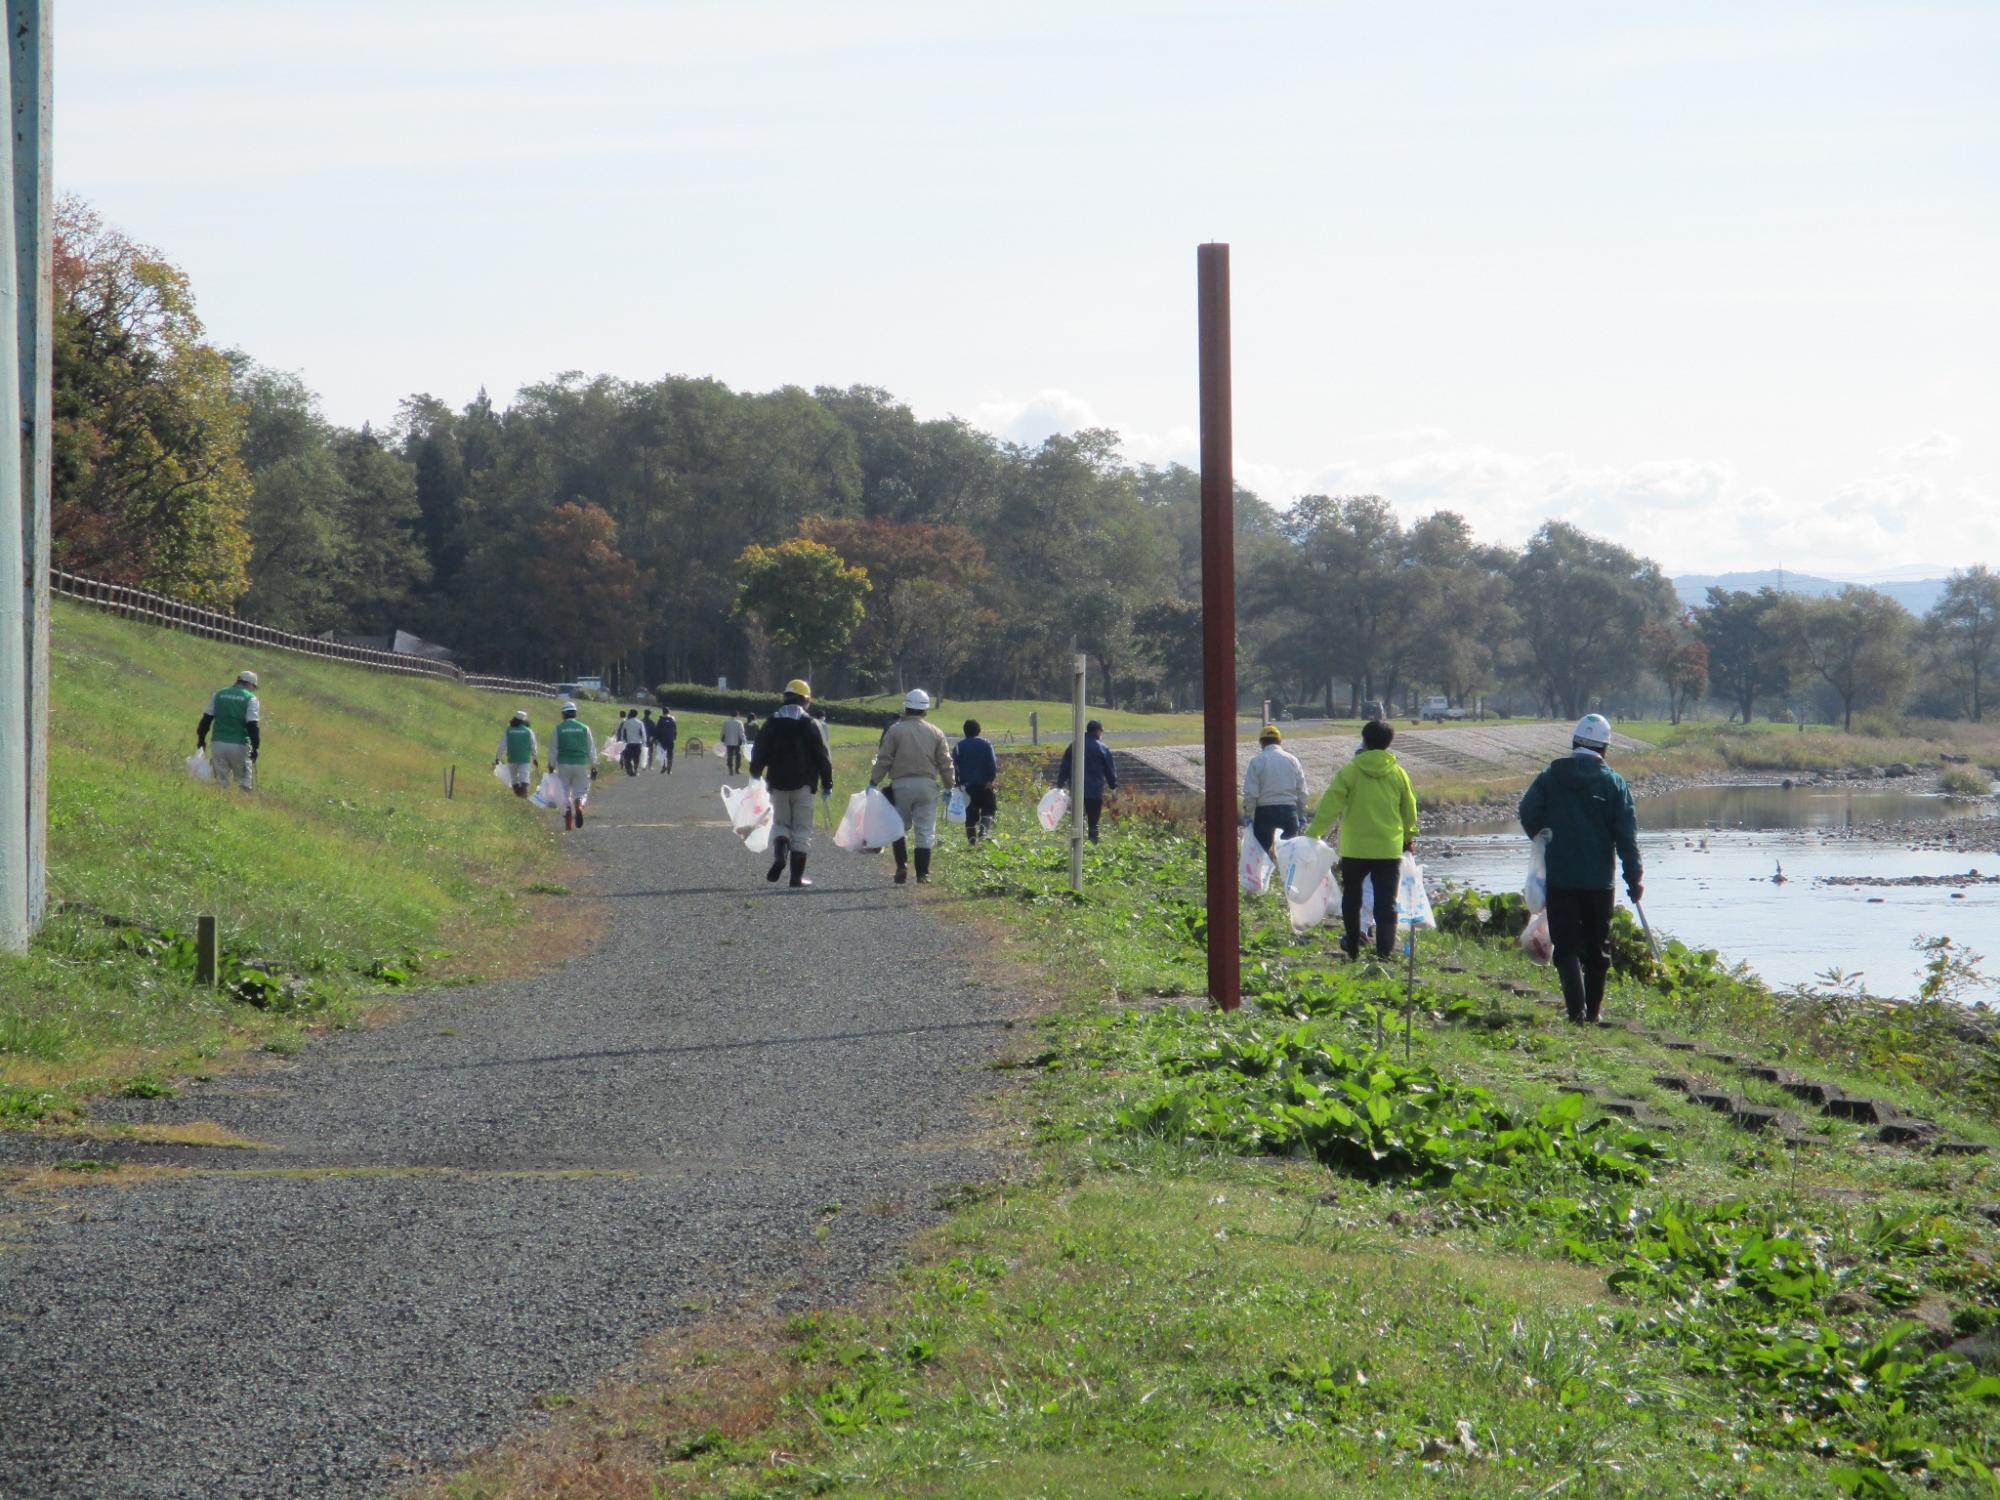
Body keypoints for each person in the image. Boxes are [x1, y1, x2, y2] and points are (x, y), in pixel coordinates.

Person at [1519, 713, 1643, 1024]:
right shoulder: (1614, 783)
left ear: (1575, 743)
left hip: (1560, 876)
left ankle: (1576, 1011)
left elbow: (1527, 810)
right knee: (1597, 947)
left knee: (1566, 945)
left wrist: (1542, 836)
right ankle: (1594, 1013)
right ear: (1605, 748)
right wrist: (1634, 876)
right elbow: (1626, 836)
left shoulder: (1550, 777)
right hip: (1600, 880)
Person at [1305, 718, 1417, 961]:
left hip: (1355, 847)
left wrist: (1314, 834)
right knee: (1387, 902)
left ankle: (1354, 948)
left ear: (1365, 741)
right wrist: (1409, 836)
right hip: (1388, 848)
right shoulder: (1399, 774)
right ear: (1389, 743)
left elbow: (1330, 804)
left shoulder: (1351, 771)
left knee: (1352, 898)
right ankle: (1384, 953)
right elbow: (1409, 809)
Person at [749, 678, 835, 888]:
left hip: (776, 783)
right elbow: (822, 756)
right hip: (804, 784)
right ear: (805, 700)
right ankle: (796, 877)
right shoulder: (810, 724)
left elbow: (758, 752)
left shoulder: (771, 722)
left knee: (780, 824)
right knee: (802, 829)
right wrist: (827, 783)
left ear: (785, 698)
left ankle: (780, 856)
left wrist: (755, 775)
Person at [869, 689, 955, 883]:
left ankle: (901, 866)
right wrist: (949, 785)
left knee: (899, 826)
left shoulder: (895, 730)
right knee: (924, 829)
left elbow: (884, 759)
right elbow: (945, 762)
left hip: (901, 785)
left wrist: (873, 782)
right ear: (925, 711)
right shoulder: (936, 732)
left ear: (906, 708)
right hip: (927, 786)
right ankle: (923, 874)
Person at [1241, 724, 1309, 856]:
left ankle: (1263, 876)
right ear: (1280, 741)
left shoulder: (1257, 761)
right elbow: (1302, 791)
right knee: (1289, 856)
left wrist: (1248, 815)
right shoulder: (1293, 760)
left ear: (1261, 742)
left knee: (1262, 856)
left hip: (1265, 813)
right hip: (1289, 811)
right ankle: (1285, 876)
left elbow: (1251, 793)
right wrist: (1301, 815)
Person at [195, 669, 262, 791]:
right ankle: (244, 804)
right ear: (249, 684)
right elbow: (252, 725)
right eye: (253, 687)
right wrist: (255, 747)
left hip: (218, 743)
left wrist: (201, 740)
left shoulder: (219, 694)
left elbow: (206, 719)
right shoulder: (251, 699)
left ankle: (222, 802)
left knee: (220, 782)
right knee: (244, 784)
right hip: (240, 744)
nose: (253, 690)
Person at [1055, 720, 1118, 842]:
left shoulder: (1075, 745)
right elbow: (1109, 769)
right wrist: (1113, 785)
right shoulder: (1103, 748)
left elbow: (1065, 767)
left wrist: (1060, 784)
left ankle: (1077, 845)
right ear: (1098, 731)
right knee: (1093, 821)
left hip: (1077, 789)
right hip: (1095, 791)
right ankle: (1092, 844)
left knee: (1077, 821)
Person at [550, 701, 598, 830]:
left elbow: (553, 749)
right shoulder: (584, 728)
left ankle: (568, 822)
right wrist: (594, 765)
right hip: (581, 763)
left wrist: (551, 765)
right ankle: (580, 806)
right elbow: (591, 748)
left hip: (564, 764)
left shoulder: (558, 729)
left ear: (563, 714)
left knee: (564, 793)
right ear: (575, 713)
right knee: (581, 791)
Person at [952, 718, 999, 843]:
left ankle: (972, 840)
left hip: (967, 787)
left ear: (964, 731)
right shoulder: (986, 744)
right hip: (985, 785)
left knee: (970, 814)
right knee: (988, 809)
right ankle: (983, 831)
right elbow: (992, 764)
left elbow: (954, 767)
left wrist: (957, 783)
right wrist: (991, 779)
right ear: (979, 731)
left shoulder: (958, 747)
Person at [493, 709, 539, 798]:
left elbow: (502, 745)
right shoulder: (528, 731)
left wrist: (498, 757)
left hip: (512, 758)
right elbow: (533, 745)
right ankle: (523, 795)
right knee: (524, 777)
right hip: (524, 759)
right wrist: (535, 758)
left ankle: (518, 794)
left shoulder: (509, 730)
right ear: (524, 720)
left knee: (513, 778)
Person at [615, 709, 648, 775]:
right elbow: (643, 733)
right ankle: (635, 770)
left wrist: (623, 741)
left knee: (627, 758)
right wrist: (644, 741)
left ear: (631, 714)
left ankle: (630, 770)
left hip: (629, 743)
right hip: (638, 743)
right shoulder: (640, 722)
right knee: (636, 757)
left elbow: (623, 733)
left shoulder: (626, 723)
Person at [653, 705, 678, 773]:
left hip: (662, 740)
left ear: (663, 712)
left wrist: (656, 739)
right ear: (668, 711)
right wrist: (674, 737)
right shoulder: (672, 719)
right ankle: (669, 769)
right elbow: (675, 730)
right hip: (670, 739)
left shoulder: (661, 720)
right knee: (670, 754)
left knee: (663, 754)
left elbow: (657, 730)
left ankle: (664, 766)